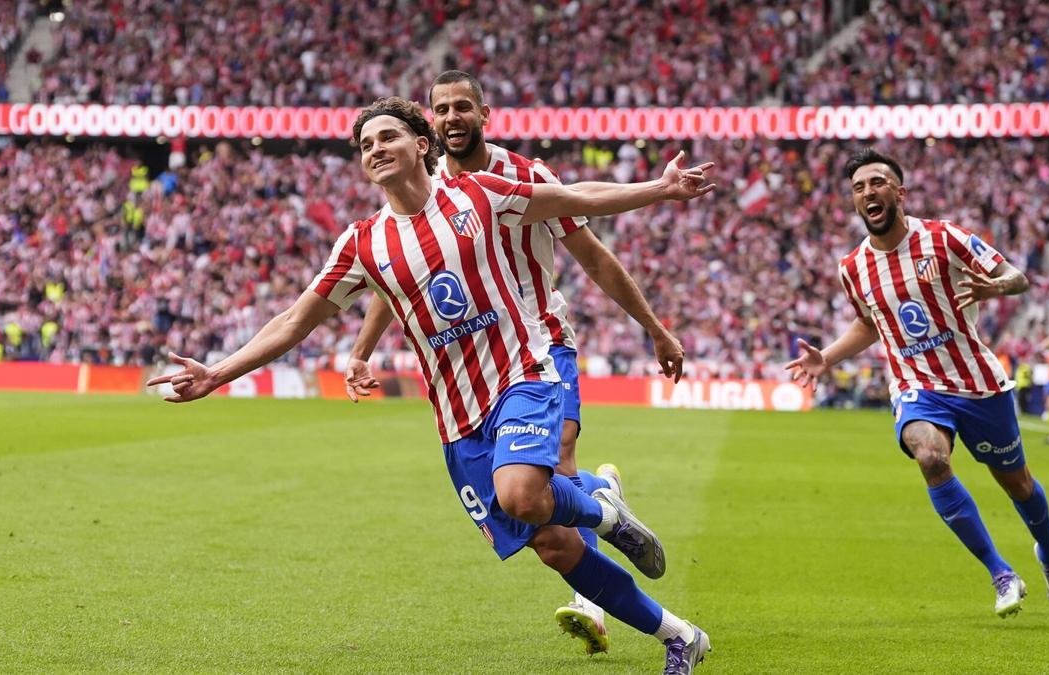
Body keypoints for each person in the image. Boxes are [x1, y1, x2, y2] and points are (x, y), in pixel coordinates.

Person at [147, 97, 713, 673]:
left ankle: (601, 509)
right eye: (366, 145)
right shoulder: (362, 244)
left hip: (523, 374)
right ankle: (680, 635)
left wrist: (658, 189)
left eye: (387, 137)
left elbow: (574, 199)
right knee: (553, 545)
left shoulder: (480, 194)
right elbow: (295, 321)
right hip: (457, 417)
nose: (376, 150)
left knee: (522, 494)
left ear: (422, 145)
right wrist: (218, 372)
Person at [344, 70, 684, 655]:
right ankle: (603, 504)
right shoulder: (423, 188)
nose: (451, 118)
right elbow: (396, 277)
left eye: (462, 108)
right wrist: (361, 349)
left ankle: (593, 596)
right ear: (428, 126)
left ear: (484, 114)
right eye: (440, 109)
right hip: (474, 360)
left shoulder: (519, 176)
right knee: (535, 500)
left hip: (541, 338)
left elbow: (593, 255)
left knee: (560, 453)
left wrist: (652, 327)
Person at [784, 148, 1049, 618]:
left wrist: (995, 287)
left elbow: (1016, 277)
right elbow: (869, 323)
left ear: (899, 191)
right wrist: (827, 358)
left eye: (876, 183)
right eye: (858, 188)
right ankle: (1001, 572)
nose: (867, 193)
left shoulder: (944, 238)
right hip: (917, 385)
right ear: (854, 202)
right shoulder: (852, 267)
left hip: (979, 383)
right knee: (931, 457)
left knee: (1018, 485)